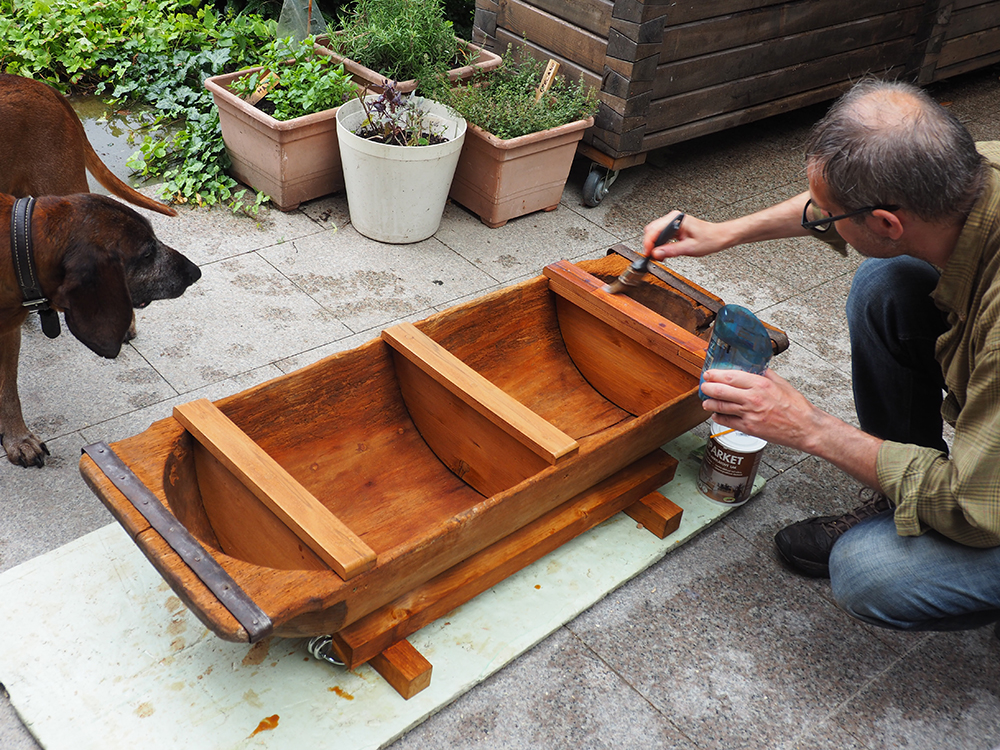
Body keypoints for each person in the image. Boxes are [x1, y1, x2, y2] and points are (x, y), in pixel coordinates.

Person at [643, 78, 1000, 633]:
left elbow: (976, 508)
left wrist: (810, 428)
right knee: (886, 282)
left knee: (867, 573)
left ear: (886, 222)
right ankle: (900, 493)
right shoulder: (973, 173)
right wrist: (723, 232)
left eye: (830, 217)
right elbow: (838, 202)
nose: (820, 218)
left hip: (985, 502)